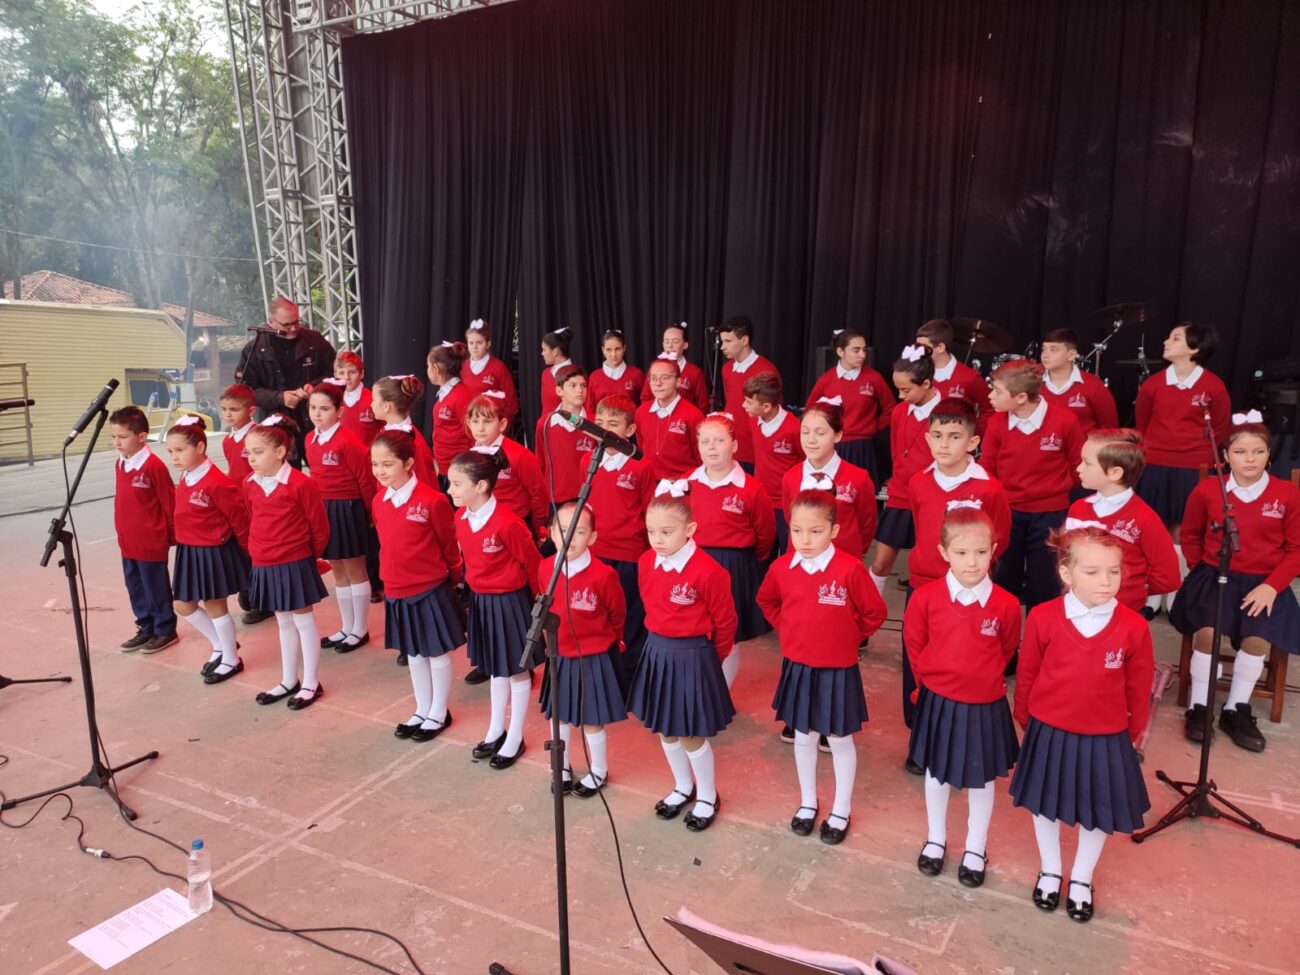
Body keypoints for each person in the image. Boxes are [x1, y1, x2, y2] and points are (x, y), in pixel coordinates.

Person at [1011, 526, 1153, 923]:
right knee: (1045, 804)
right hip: (1049, 728)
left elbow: (1138, 685)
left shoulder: (1133, 627)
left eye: (1114, 571)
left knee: (1098, 809)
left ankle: (1082, 878)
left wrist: (1132, 730)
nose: (1106, 582)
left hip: (1106, 735)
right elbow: (1028, 673)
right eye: (1092, 572)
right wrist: (1025, 716)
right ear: (1066, 573)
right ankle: (1051, 869)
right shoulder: (1043, 617)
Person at [758, 490, 886, 845]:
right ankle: (808, 802)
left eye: (815, 531)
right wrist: (788, 628)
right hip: (799, 667)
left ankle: (841, 808)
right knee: (804, 736)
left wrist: (848, 637)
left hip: (838, 669)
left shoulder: (849, 569)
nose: (805, 539)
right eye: (797, 531)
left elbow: (874, 612)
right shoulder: (782, 568)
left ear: (834, 530)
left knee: (841, 739)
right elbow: (767, 600)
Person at [905, 508, 1021, 887]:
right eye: (961, 553)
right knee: (937, 774)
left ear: (994, 550)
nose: (972, 562)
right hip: (939, 700)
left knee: (981, 779)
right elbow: (915, 645)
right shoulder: (925, 598)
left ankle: (975, 846)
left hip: (984, 703)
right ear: (944, 552)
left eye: (981, 552)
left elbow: (1005, 651)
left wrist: (980, 679)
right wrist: (935, 682)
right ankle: (936, 838)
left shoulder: (1005, 604)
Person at [1171, 413, 1300, 751]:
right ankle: (1200, 706)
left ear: (1269, 454)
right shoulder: (1207, 491)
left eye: (1258, 452)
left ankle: (1235, 708)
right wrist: (1202, 570)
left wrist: (1272, 586)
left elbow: (1296, 549)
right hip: (1216, 575)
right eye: (1240, 452)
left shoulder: (1286, 494)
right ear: (1226, 455)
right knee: (1208, 633)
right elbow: (1191, 534)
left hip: (1264, 583)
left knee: (1257, 639)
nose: (1250, 460)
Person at [627, 487, 738, 831]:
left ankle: (707, 794)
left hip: (693, 656)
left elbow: (725, 622)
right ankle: (682, 785)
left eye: (666, 531)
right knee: (665, 729)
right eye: (651, 532)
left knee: (689, 732)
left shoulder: (708, 571)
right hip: (657, 651)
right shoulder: (646, 562)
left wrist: (708, 661)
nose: (657, 539)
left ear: (690, 529)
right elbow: (648, 601)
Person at [903, 398, 1011, 735]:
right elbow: (921, 528)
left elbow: (1000, 536)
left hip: (969, 589)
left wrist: (971, 572)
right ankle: (920, 734)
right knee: (917, 657)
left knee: (964, 660)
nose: (943, 444)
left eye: (953, 436)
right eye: (936, 435)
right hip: (924, 584)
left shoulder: (989, 487)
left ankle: (961, 733)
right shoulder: (919, 482)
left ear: (972, 442)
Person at [448, 449, 542, 770]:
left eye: (457, 484)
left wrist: (537, 611)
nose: (451, 491)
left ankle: (515, 735)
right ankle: (495, 729)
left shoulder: (508, 523)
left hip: (510, 603)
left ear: (482, 486)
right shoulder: (460, 518)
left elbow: (533, 566)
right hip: (482, 602)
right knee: (495, 668)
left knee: (516, 669)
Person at [370, 429, 464, 740]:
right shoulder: (379, 501)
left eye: (387, 464)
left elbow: (449, 547)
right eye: (375, 464)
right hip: (396, 588)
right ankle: (422, 708)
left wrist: (450, 577)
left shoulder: (433, 500)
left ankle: (439, 711)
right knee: (413, 653)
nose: (380, 471)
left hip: (429, 588)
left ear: (408, 463)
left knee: (435, 652)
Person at [537, 502, 628, 797]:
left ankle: (598, 769)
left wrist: (610, 642)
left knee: (592, 720)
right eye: (563, 530)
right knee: (560, 717)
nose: (570, 538)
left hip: (592, 657)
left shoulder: (603, 575)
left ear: (592, 537)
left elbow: (617, 614)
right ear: (551, 533)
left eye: (579, 531)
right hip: (559, 656)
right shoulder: (544, 568)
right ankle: (561, 765)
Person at [982, 359, 1084, 620]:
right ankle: (1003, 652)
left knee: (1046, 587)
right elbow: (987, 471)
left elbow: (1078, 468)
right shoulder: (996, 424)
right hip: (1007, 513)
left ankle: (1039, 651)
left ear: (1021, 397)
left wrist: (1052, 492)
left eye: (997, 391)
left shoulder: (1064, 421)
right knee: (1003, 582)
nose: (990, 396)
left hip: (1050, 515)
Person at [242, 415, 331, 711]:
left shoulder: (300, 484)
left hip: (294, 560)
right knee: (283, 621)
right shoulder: (249, 484)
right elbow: (252, 517)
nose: (251, 459)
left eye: (258, 452)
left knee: (303, 621)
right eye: (248, 452)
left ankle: (311, 682)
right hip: (264, 561)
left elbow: (319, 526)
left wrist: (307, 557)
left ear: (280, 452)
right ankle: (288, 678)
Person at [686, 412, 776, 685]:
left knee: (728, 632)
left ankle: (721, 692)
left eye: (719, 440)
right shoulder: (685, 484)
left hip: (733, 566)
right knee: (695, 629)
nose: (711, 448)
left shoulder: (751, 487)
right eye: (704, 441)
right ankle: (699, 688)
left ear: (734, 445)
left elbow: (765, 534)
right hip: (693, 564)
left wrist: (746, 563)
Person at [165, 416, 250, 684]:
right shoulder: (185, 476)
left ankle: (232, 660)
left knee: (216, 606)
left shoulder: (217, 482)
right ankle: (223, 646)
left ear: (200, 448)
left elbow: (239, 519)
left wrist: (250, 552)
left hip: (213, 550)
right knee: (182, 604)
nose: (174, 457)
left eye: (180, 450)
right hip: (189, 550)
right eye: (170, 451)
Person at [1066, 429, 1179, 617]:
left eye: (1087, 463)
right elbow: (1067, 555)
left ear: (1115, 473)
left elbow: (1168, 576)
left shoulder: (1145, 518)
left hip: (1122, 613)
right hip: (1078, 607)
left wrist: (1133, 589)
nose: (1078, 468)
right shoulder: (1077, 508)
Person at [584, 395, 654, 683]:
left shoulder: (641, 466)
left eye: (613, 424)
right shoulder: (588, 460)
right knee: (601, 615)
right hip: (597, 553)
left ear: (630, 430)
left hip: (629, 555)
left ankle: (630, 676)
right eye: (599, 423)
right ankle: (605, 671)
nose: (604, 430)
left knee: (630, 618)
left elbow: (649, 511)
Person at [305, 381, 376, 652]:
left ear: (339, 410)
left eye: (324, 408)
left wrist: (370, 513)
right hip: (325, 509)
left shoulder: (349, 441)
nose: (317, 414)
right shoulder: (310, 439)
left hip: (349, 508)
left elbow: (366, 480)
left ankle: (360, 629)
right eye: (313, 408)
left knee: (355, 568)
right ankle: (346, 626)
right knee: (337, 568)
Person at [869, 345, 942, 601]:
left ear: (926, 384)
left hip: (932, 497)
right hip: (901, 494)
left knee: (928, 566)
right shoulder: (900, 412)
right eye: (898, 389)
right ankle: (867, 614)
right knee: (880, 564)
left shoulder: (945, 413)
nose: (900, 396)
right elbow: (897, 451)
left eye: (906, 390)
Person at [234, 297, 337, 461]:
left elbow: (334, 374)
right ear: (271, 322)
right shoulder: (254, 349)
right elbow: (245, 391)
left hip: (313, 417)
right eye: (287, 325)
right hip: (276, 422)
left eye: (297, 322)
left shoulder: (315, 341)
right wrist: (280, 398)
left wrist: (314, 387)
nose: (294, 328)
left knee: (323, 470)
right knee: (285, 473)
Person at [110, 405, 177, 654]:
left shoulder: (153, 466)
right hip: (129, 539)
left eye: (122, 437)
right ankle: (146, 625)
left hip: (151, 539)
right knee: (135, 585)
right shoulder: (121, 463)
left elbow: (168, 502)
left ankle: (165, 628)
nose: (117, 442)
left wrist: (171, 535)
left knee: (155, 585)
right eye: (114, 437)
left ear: (141, 437)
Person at [780, 399, 877, 561]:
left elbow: (867, 525)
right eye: (805, 432)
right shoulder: (790, 477)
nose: (811, 440)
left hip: (844, 563)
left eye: (820, 433)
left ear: (837, 435)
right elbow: (789, 518)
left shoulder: (858, 477)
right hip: (801, 562)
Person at [806, 328, 895, 482]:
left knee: (862, 493)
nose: (862, 355)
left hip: (862, 447)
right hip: (833, 445)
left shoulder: (874, 378)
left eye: (864, 350)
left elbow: (891, 409)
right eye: (856, 350)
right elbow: (810, 410)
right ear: (840, 351)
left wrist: (873, 426)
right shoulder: (826, 380)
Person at [218, 383, 269, 626]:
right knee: (243, 551)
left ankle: (263, 600)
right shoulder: (228, 441)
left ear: (250, 410)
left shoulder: (258, 436)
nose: (228, 415)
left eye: (234, 409)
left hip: (256, 504)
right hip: (237, 505)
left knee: (258, 552)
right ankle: (250, 594)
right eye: (224, 409)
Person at [466, 393, 549, 539]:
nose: (480, 428)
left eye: (487, 421)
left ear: (502, 424)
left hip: (516, 525)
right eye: (475, 421)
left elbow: (538, 494)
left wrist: (536, 528)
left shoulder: (520, 455)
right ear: (469, 423)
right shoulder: (468, 456)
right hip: (481, 526)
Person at [742, 371, 803, 557]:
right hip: (761, 502)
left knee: (787, 554)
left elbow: (803, 464)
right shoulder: (753, 421)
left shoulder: (794, 428)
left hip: (786, 505)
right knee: (761, 554)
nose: (744, 405)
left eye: (749, 402)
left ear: (766, 406)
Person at [718, 316, 778, 471]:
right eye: (722, 341)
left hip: (755, 450)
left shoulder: (766, 370)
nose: (722, 347)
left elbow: (772, 414)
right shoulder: (727, 369)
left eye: (728, 341)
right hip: (732, 446)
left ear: (744, 340)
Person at [535, 365, 599, 505]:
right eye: (573, 385)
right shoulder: (545, 423)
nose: (579, 390)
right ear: (559, 390)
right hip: (555, 499)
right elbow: (540, 463)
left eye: (583, 385)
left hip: (587, 498)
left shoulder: (595, 423)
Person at [1038, 329, 1118, 438]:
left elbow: (1110, 429)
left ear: (1071, 355)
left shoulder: (1093, 385)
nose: (1045, 355)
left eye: (1053, 350)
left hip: (1083, 452)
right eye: (1044, 349)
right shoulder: (1033, 383)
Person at [635, 357, 704, 481]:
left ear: (678, 382)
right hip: (650, 482)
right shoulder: (641, 413)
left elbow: (700, 457)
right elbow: (641, 448)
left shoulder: (693, 415)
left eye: (664, 378)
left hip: (682, 484)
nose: (658, 383)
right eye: (653, 378)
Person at [915, 318, 988, 434]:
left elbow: (989, 408)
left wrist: (973, 433)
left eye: (923, 348)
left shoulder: (969, 377)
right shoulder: (917, 373)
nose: (918, 352)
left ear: (940, 347)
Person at [371, 375, 436, 487]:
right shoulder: (384, 431)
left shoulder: (415, 444)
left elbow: (426, 486)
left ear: (386, 406)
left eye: (374, 400)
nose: (371, 404)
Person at [427, 342, 475, 487]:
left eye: (428, 366)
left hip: (459, 469)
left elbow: (473, 434)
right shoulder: (446, 394)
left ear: (437, 368)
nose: (427, 370)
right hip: (445, 467)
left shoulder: (461, 396)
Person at [639, 323, 710, 413]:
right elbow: (645, 398)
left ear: (685, 345)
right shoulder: (655, 368)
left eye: (675, 341)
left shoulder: (695, 373)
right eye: (666, 341)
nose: (670, 346)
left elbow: (703, 406)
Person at [460, 319, 519, 423]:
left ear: (488, 344)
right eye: (471, 343)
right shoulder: (463, 367)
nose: (474, 347)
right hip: (468, 427)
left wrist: (500, 427)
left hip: (491, 428)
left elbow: (511, 403)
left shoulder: (498, 368)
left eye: (479, 343)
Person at [334, 350, 383, 447]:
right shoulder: (332, 400)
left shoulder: (374, 399)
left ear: (361, 374)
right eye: (341, 373)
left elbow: (385, 430)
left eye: (352, 372)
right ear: (335, 375)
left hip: (369, 458)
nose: (347, 377)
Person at [586, 329, 644, 407]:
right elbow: (590, 409)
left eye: (617, 349)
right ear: (603, 350)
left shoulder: (637, 374)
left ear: (624, 348)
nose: (613, 354)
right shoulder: (594, 377)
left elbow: (645, 405)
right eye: (609, 350)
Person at [539, 327, 575, 417]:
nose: (542, 353)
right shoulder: (546, 374)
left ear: (555, 352)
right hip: (548, 426)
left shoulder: (575, 374)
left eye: (544, 350)